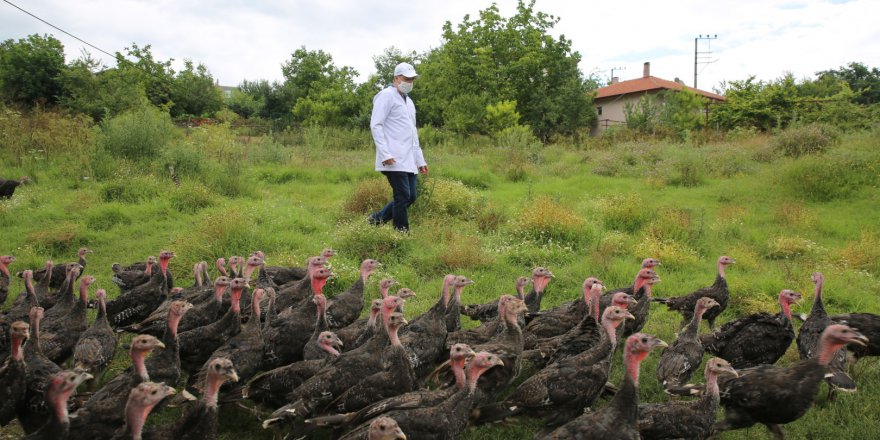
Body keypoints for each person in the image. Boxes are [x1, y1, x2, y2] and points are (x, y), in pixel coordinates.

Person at [368, 62, 428, 232]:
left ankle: (375, 220)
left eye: (412, 79)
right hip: (392, 157)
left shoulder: (409, 102)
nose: (409, 82)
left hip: (408, 158)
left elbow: (412, 133)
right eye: (406, 78)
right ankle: (401, 234)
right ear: (396, 78)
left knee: (411, 197)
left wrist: (420, 160)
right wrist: (385, 153)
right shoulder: (385, 96)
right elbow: (376, 125)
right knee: (402, 196)